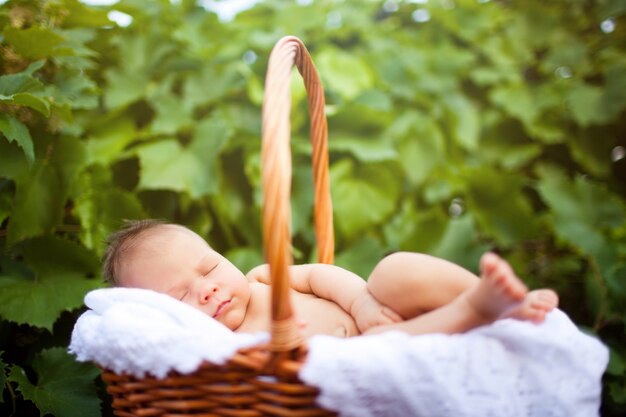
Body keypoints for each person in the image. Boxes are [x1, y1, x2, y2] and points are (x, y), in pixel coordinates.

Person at [102, 219, 559, 338]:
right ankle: (475, 311)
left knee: (394, 270)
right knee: (378, 353)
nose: (207, 288)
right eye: (180, 296)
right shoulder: (219, 347)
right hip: (367, 357)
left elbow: (320, 276)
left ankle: (487, 299)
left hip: (379, 312)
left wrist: (360, 302)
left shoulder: (262, 278)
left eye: (209, 267)